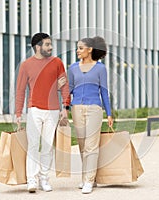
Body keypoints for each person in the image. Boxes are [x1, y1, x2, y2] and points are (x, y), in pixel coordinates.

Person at [15, 33, 70, 193]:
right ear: (38, 47)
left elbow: (64, 86)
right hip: (34, 110)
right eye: (47, 44)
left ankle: (44, 178)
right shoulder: (26, 65)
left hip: (52, 111)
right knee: (33, 145)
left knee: (47, 146)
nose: (51, 47)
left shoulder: (57, 63)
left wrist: (65, 108)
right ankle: (31, 179)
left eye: (50, 44)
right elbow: (20, 90)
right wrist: (18, 112)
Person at [68, 36, 113, 194]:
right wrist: (63, 106)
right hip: (77, 109)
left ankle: (89, 180)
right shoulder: (73, 68)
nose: (77, 51)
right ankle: (86, 177)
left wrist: (109, 113)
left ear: (90, 49)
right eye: (77, 48)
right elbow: (70, 89)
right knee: (82, 145)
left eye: (80, 48)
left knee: (91, 146)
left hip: (94, 108)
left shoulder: (100, 68)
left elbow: (104, 92)